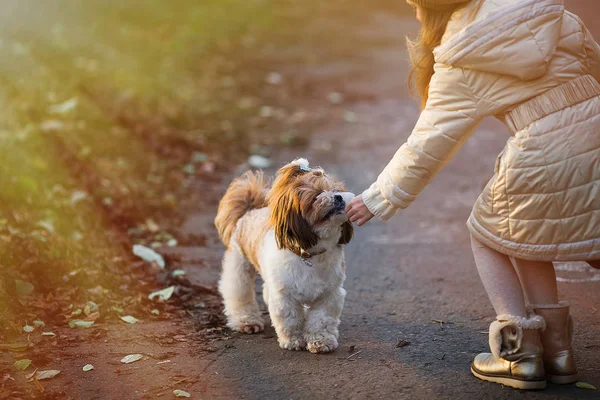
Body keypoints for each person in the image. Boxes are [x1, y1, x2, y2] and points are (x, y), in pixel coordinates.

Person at [345, 0, 600, 390]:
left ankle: (518, 356)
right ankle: (558, 354)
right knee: (522, 232)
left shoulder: (460, 53)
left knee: (486, 233)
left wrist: (378, 196)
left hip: (544, 149)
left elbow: (427, 144)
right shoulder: (547, 11)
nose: (413, 11)